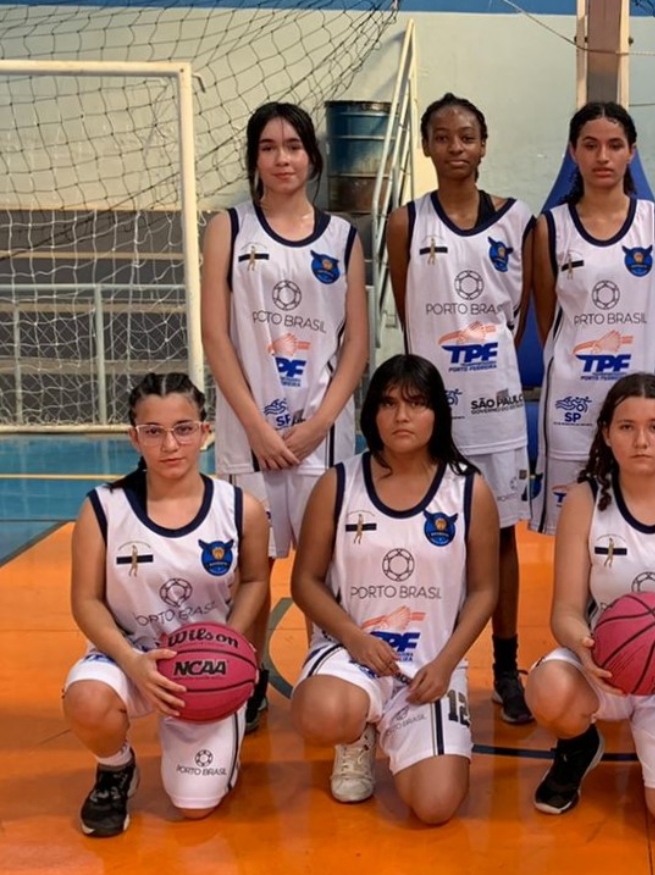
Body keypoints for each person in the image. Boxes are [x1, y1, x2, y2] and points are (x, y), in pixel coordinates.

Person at [200, 102, 370, 732]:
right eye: (268, 147)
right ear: (255, 160)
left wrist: (320, 422)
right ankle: (240, 688)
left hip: (323, 434)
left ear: (312, 157)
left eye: (293, 146)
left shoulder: (342, 237)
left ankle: (332, 679)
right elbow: (216, 337)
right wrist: (258, 428)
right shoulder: (228, 227)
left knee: (325, 572)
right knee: (251, 573)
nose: (282, 158)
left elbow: (355, 343)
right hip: (251, 435)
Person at [524, 373, 655, 838]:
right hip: (605, 664)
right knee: (548, 688)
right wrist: (581, 646)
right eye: (626, 427)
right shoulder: (585, 499)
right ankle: (578, 746)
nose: (641, 440)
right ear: (606, 433)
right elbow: (564, 609)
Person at [289, 355, 499, 824]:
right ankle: (357, 733)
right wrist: (353, 637)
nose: (401, 416)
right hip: (352, 654)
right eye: (388, 403)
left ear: (438, 413)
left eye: (416, 403)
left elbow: (485, 591)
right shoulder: (338, 484)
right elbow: (304, 581)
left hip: (428, 667)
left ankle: (399, 725)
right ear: (372, 414)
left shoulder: (468, 490)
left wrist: (446, 664)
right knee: (321, 712)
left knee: (436, 805)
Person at [63, 373, 270, 837]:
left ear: (206, 431)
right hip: (132, 653)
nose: (170, 444)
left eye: (183, 428)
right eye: (153, 431)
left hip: (206, 668)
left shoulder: (240, 508)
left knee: (194, 808)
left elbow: (257, 579)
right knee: (87, 701)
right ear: (134, 437)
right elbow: (85, 600)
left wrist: (228, 643)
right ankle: (115, 767)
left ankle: (206, 737)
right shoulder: (103, 508)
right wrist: (131, 662)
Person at [386, 94, 535, 726]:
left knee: (499, 536)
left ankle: (505, 666)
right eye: (442, 137)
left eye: (467, 136)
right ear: (426, 146)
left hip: (496, 404)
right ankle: (432, 658)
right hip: (429, 405)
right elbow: (404, 307)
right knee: (425, 532)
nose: (455, 147)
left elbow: (527, 314)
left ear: (484, 143)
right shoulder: (405, 222)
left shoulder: (518, 220)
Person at [530, 101, 655, 536]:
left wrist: (636, 345)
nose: (603, 157)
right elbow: (548, 319)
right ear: (573, 152)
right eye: (591, 145)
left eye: (615, 145)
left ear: (631, 152)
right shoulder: (551, 228)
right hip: (570, 402)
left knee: (642, 517)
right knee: (573, 527)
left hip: (641, 396)